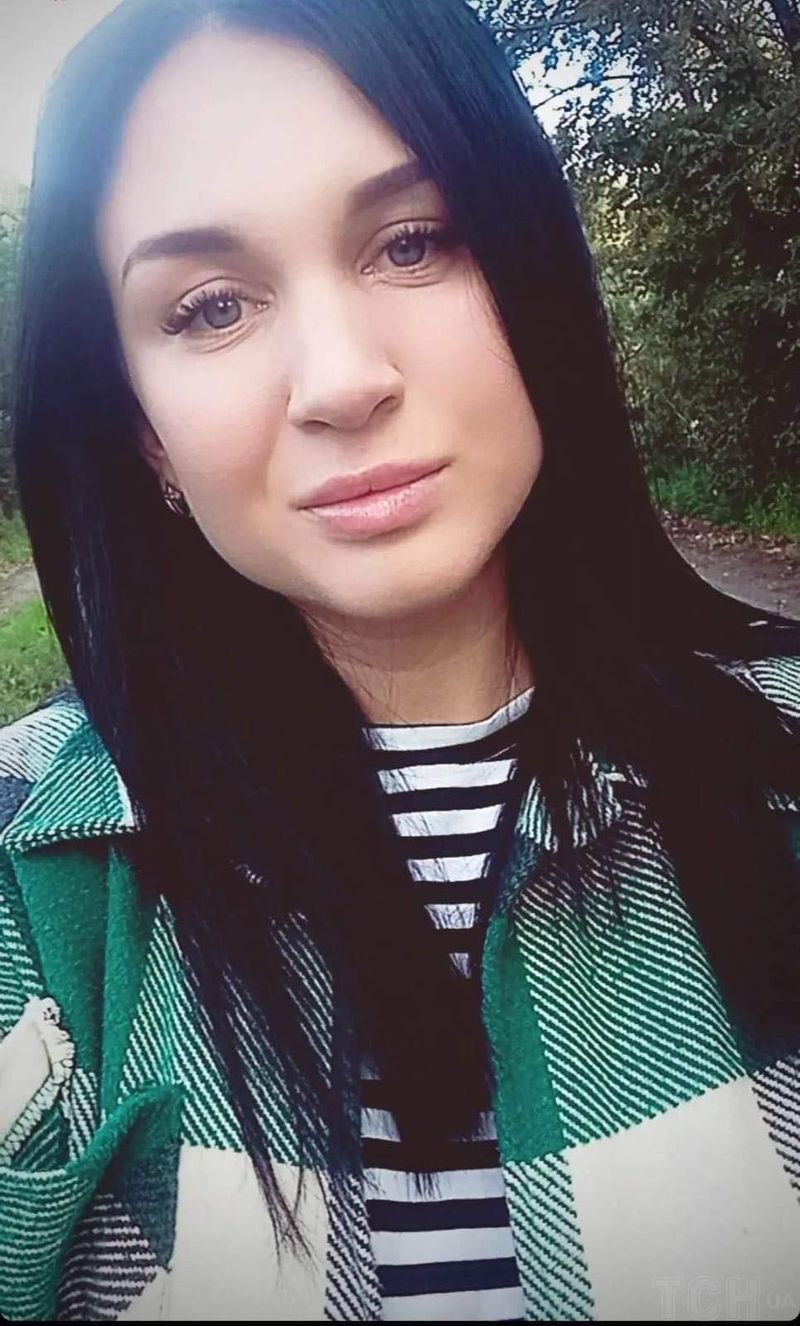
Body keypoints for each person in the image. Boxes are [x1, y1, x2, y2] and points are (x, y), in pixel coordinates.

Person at [1, 0, 799, 1319]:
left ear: (536, 276)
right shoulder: (32, 878)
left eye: (414, 240)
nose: (340, 381)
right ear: (144, 433)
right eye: (210, 306)